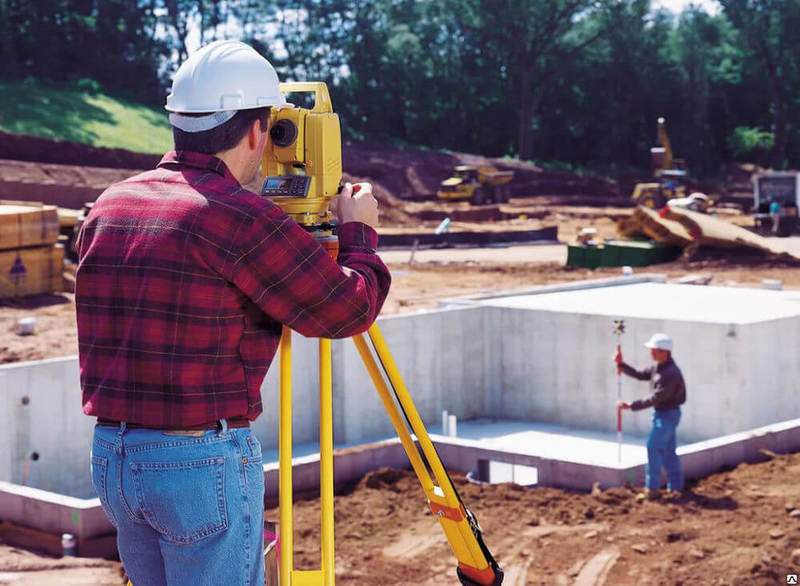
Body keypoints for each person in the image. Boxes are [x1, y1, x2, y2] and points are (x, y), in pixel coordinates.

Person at [75, 40, 391, 586]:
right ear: (255, 131)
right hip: (197, 464)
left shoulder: (111, 204)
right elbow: (347, 310)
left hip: (115, 458)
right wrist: (358, 233)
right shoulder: (238, 218)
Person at [615, 332, 686, 500]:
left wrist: (631, 406)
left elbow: (656, 398)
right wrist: (621, 365)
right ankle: (676, 488)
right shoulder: (658, 368)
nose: (651, 352)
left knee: (653, 447)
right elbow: (640, 374)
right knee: (668, 452)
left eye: (654, 349)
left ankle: (652, 489)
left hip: (667, 416)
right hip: (664, 414)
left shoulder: (670, 374)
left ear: (664, 351)